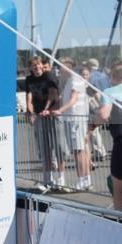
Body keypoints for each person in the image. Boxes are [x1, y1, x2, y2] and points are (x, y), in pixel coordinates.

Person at [53, 58, 91, 191]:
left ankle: (82, 180)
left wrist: (60, 111)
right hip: (73, 119)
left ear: (68, 66)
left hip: (76, 120)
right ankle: (85, 179)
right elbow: (64, 99)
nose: (59, 69)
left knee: (79, 151)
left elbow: (73, 99)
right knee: (80, 150)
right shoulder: (71, 80)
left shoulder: (75, 79)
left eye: (61, 66)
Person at [25, 56, 62, 190]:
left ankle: (60, 179)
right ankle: (48, 179)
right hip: (39, 116)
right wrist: (30, 111)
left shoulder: (49, 76)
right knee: (44, 148)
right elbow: (29, 96)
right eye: (33, 65)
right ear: (30, 68)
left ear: (42, 65)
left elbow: (53, 95)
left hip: (51, 114)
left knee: (57, 147)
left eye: (38, 64)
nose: (36, 67)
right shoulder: (29, 79)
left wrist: (47, 109)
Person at [98, 63, 122, 212]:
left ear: (113, 78)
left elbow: (103, 115)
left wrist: (92, 124)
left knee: (118, 192)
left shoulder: (110, 92)